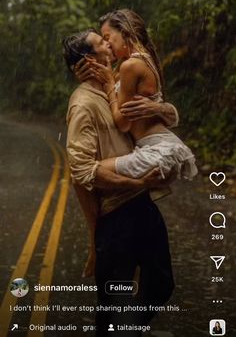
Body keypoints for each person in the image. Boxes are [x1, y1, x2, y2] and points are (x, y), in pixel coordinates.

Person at [63, 29, 175, 336]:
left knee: (162, 283)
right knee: (113, 306)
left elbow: (161, 114)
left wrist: (162, 109)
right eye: (102, 42)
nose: (109, 45)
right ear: (90, 58)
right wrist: (137, 182)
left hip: (141, 206)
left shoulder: (115, 86)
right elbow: (82, 170)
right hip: (115, 217)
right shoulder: (83, 104)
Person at [87, 9, 198, 182]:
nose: (108, 45)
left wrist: (109, 83)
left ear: (125, 33)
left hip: (157, 149)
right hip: (158, 145)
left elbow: (123, 124)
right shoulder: (141, 60)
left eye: (108, 38)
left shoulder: (131, 66)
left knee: (91, 172)